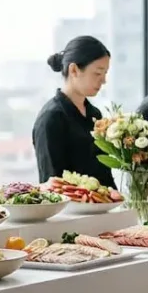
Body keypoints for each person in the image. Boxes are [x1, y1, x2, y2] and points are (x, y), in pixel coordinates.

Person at [33, 35, 116, 188]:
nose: (103, 81)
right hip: (70, 203)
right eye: (98, 73)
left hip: (102, 202)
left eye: (105, 73)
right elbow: (52, 183)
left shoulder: (94, 115)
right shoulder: (51, 118)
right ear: (74, 70)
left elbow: (104, 173)